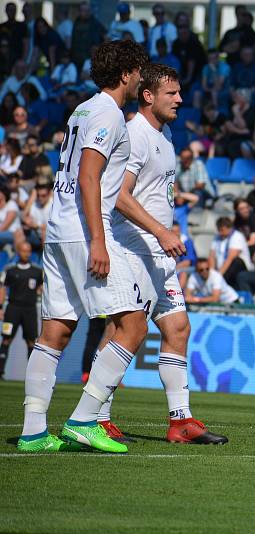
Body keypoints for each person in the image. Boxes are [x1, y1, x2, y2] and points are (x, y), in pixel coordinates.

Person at [16, 40, 149, 454]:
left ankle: (34, 431)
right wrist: (98, 240)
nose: (141, 78)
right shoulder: (109, 113)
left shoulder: (83, 108)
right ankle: (83, 420)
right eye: (139, 71)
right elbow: (90, 177)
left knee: (55, 330)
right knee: (134, 324)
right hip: (84, 231)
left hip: (57, 228)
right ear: (127, 72)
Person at [103, 63, 227, 445]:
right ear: (148, 95)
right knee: (125, 332)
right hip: (133, 248)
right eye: (171, 93)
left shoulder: (166, 133)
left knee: (178, 328)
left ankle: (180, 420)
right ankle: (96, 416)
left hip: (159, 255)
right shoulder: (135, 135)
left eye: (179, 92)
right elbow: (119, 195)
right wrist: (160, 230)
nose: (180, 99)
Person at [0, 241, 42, 378]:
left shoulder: (37, 271)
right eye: (24, 251)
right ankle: (0, 372)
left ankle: (31, 374)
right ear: (19, 252)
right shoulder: (10, 270)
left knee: (31, 341)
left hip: (29, 310)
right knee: (6, 339)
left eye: (29, 251)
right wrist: (0, 307)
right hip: (13, 309)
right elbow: (3, 288)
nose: (26, 254)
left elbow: (42, 288)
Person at [210, 216, 253, 290]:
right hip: (222, 268)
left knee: (236, 261)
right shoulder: (217, 238)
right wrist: (211, 274)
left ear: (229, 228)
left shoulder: (237, 236)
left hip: (238, 268)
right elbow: (212, 256)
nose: (220, 232)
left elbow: (230, 258)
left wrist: (218, 276)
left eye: (222, 230)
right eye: (218, 230)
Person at [22, 177, 52, 251]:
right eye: (38, 195)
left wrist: (37, 226)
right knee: (18, 232)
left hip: (50, 235)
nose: (40, 198)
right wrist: (32, 198)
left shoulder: (53, 205)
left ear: (49, 194)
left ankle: (44, 259)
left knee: (44, 232)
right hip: (35, 234)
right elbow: (24, 217)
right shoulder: (35, 204)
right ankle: (16, 261)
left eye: (43, 195)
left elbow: (50, 226)